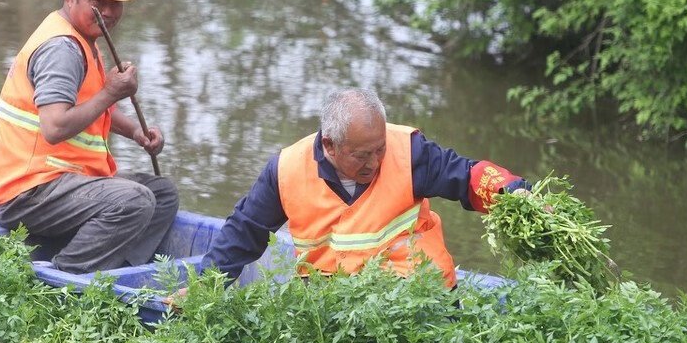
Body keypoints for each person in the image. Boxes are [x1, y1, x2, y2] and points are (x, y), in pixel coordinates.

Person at [199, 87, 529, 287]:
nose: (374, 162)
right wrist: (204, 286)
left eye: (379, 149)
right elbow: (245, 230)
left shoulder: (408, 150)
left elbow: (467, 176)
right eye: (361, 155)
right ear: (329, 145)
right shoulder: (286, 170)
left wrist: (514, 193)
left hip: (419, 295)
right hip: (337, 307)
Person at [0, 0, 178, 273]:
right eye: (98, 2)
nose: (109, 12)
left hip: (61, 182)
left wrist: (135, 132)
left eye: (116, 3)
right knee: (135, 201)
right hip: (26, 190)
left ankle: (120, 272)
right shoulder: (62, 48)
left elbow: (88, 107)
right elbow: (55, 126)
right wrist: (111, 91)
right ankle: (66, 278)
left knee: (162, 194)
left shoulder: (83, 39)